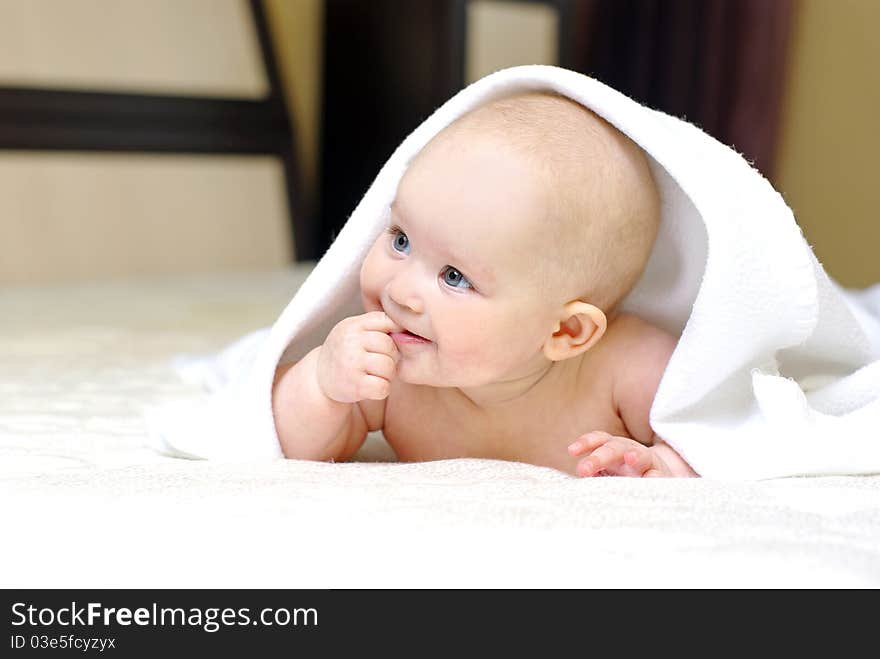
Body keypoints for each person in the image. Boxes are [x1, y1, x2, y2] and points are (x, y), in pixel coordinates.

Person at [272, 91, 697, 478]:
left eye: (454, 277)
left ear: (566, 331)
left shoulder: (629, 366)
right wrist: (323, 383)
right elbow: (287, 444)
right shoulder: (391, 366)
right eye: (401, 240)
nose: (400, 292)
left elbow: (723, 434)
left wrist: (663, 464)